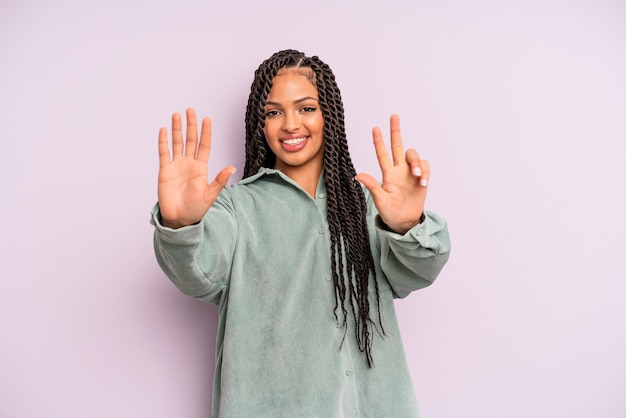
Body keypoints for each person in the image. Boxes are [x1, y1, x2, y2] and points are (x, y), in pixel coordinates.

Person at [151, 49, 450, 417]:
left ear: (330, 116)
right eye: (274, 112)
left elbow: (416, 273)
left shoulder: (369, 205)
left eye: (306, 108)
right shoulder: (237, 209)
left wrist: (406, 225)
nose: (290, 124)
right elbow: (198, 274)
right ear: (260, 124)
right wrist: (181, 225)